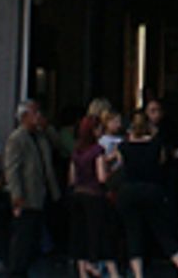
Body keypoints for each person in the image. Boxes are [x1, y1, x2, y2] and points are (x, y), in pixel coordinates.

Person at [117, 111, 178, 278]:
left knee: (133, 232)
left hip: (129, 191)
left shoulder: (124, 147)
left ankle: (138, 273)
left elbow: (119, 166)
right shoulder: (157, 146)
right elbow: (162, 163)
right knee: (162, 230)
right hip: (152, 190)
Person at [5, 99, 62, 278]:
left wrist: (47, 128)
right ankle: (17, 271)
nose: (38, 117)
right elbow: (12, 169)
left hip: (43, 192)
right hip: (27, 195)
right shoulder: (17, 139)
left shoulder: (41, 136)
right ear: (24, 117)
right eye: (34, 114)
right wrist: (17, 195)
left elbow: (58, 146)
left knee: (35, 235)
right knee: (23, 237)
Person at [71, 116, 120, 278]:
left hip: (78, 194)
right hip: (94, 195)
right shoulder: (97, 150)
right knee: (98, 233)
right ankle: (97, 266)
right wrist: (111, 169)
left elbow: (71, 177)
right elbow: (101, 177)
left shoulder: (76, 150)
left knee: (80, 234)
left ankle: (82, 271)